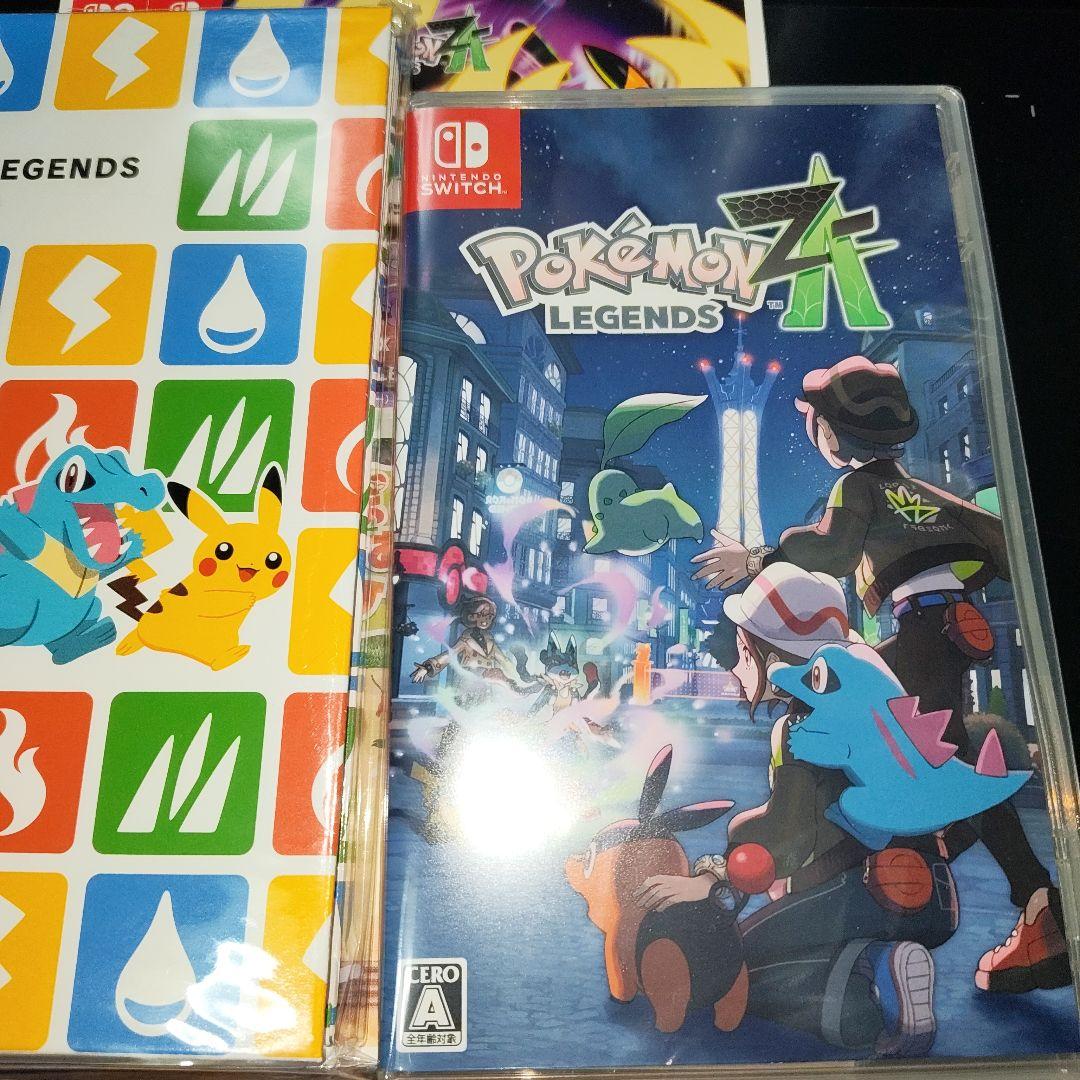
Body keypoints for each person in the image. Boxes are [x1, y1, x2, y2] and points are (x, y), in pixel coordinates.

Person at [689, 356, 1067, 994]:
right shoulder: (931, 495)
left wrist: (757, 559)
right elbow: (1005, 545)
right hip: (949, 627)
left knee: (830, 714)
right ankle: (1032, 903)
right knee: (954, 752)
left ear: (832, 433)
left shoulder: (857, 488)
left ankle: (879, 866)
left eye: (816, 426)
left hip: (921, 628)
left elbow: (834, 551)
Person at [636, 564, 955, 1055]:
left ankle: (872, 981)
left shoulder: (803, 725)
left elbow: (788, 835)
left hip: (863, 892)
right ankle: (873, 960)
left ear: (771, 657)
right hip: (934, 894)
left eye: (743, 654)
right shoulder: (873, 701)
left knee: (737, 970)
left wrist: (715, 873)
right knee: (800, 938)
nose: (736, 670)